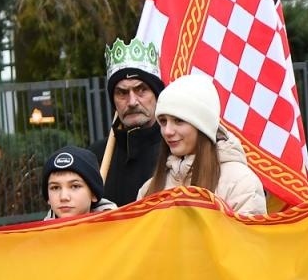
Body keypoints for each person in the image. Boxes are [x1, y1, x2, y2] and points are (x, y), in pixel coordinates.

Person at [137, 74, 267, 215]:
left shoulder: (241, 183)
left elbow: (246, 237)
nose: (167, 131)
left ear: (203, 126)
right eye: (163, 121)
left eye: (179, 120)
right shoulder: (148, 189)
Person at [93, 38, 166, 207]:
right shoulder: (97, 158)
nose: (132, 101)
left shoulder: (176, 149)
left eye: (141, 90)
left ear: (157, 95)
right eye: (122, 92)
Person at [43, 146, 116, 220]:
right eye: (55, 187)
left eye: (75, 186)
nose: (64, 197)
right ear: (48, 197)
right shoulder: (38, 231)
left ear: (93, 193)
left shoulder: (121, 229)